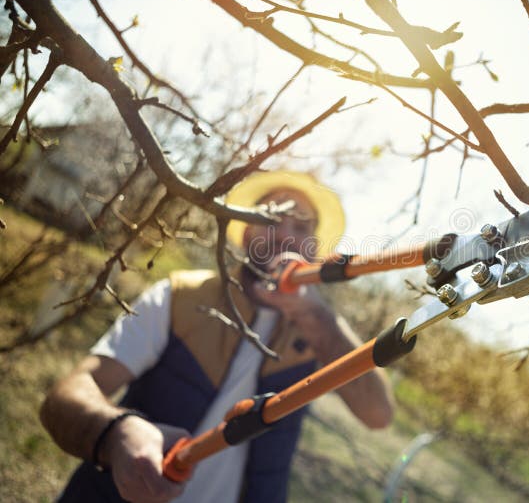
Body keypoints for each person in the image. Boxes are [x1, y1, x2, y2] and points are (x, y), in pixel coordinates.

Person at [40, 171, 394, 503]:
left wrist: (315, 316)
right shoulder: (179, 296)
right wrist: (115, 432)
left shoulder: (321, 328)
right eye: (271, 220)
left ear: (313, 250)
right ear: (243, 232)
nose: (285, 236)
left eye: (301, 228)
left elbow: (378, 414)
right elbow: (66, 396)